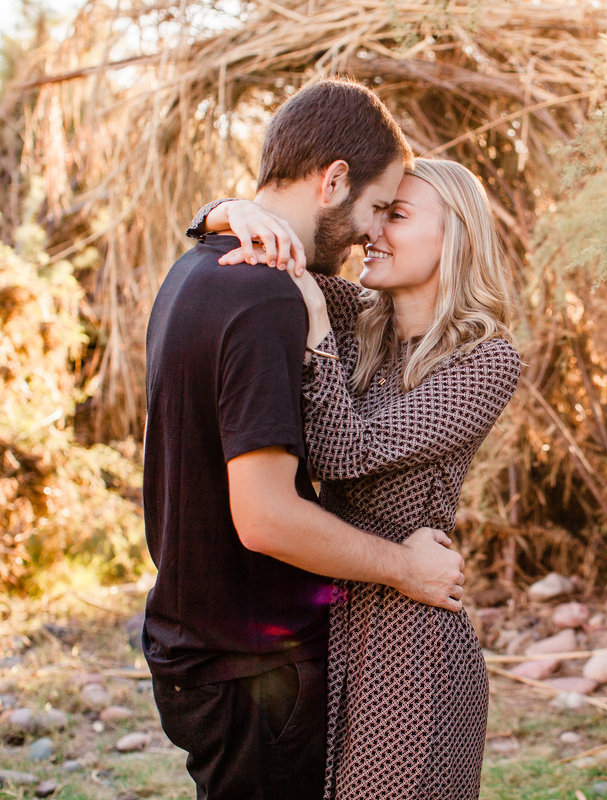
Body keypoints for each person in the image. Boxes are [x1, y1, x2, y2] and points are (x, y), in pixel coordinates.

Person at [143, 79, 467, 800]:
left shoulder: (195, 269)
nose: (369, 234)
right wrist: (405, 570)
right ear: (333, 180)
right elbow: (265, 518)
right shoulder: (263, 294)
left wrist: (222, 212)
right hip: (253, 667)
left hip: (201, 651)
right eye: (377, 207)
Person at [191, 157, 522, 799]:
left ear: (455, 233)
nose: (373, 233)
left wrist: (315, 334)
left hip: (411, 637)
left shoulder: (486, 358)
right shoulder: (358, 315)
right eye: (379, 213)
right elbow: (266, 247)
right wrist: (226, 212)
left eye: (397, 216)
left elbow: (348, 454)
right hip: (327, 618)